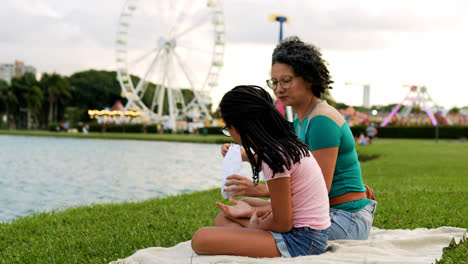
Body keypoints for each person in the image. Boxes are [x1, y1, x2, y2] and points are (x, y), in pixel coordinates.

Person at [217, 36, 376, 241]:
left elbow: (318, 191)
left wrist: (258, 193)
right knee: (240, 207)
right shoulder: (304, 119)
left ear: (308, 79)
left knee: (231, 219)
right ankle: (252, 224)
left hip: (345, 217)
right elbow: (293, 165)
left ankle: (252, 227)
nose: (278, 89)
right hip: (327, 211)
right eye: (274, 82)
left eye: (286, 81)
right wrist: (247, 156)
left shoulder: (321, 121)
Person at [191, 85, 330, 258]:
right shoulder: (284, 145)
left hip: (302, 241)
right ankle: (247, 225)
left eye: (227, 128)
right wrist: (252, 213)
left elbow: (283, 224)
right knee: (226, 216)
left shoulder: (274, 157)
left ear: (236, 128)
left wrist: (254, 226)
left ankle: (249, 229)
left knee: (201, 239)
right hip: (311, 231)